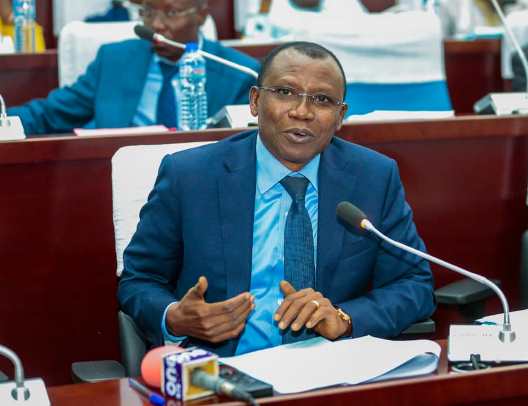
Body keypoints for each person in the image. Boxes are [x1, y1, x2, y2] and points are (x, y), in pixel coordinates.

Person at [117, 41, 436, 356]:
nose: (302, 112)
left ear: (340, 116)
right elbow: (139, 280)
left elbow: (414, 284)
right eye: (285, 92)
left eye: (322, 100)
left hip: (335, 366)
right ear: (255, 101)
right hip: (224, 368)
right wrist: (176, 317)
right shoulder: (190, 176)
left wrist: (345, 318)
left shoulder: (373, 177)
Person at [7, 0, 259, 136]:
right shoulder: (114, 60)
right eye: (148, 12)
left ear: (201, 15)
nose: (157, 25)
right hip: (117, 174)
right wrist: (4, 123)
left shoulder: (239, 73)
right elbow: (50, 113)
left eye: (171, 12)